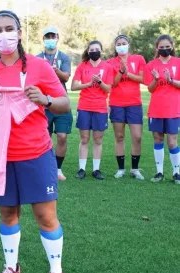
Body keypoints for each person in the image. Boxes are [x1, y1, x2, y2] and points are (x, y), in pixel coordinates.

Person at [0, 10, 70, 273]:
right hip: (2, 157)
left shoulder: (39, 66)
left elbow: (64, 104)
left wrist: (46, 100)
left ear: (20, 33)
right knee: (8, 214)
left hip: (36, 153)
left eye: (9, 28)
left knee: (45, 216)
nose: (3, 35)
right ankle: (11, 267)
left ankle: (56, 270)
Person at [71, 40, 113, 180]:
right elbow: (73, 86)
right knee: (84, 139)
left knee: (98, 139)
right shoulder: (82, 66)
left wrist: (99, 82)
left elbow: (108, 89)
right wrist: (89, 83)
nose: (94, 51)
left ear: (101, 51)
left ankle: (96, 169)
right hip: (84, 107)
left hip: (100, 108)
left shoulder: (107, 67)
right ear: (88, 51)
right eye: (91, 49)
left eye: (97, 49)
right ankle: (81, 169)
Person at [107, 34, 146, 180]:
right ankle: (121, 169)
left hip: (134, 104)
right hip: (117, 104)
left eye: (123, 43)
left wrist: (128, 73)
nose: (121, 45)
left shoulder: (138, 59)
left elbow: (142, 79)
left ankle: (135, 169)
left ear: (129, 45)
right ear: (115, 46)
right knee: (119, 136)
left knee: (137, 137)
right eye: (118, 44)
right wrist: (121, 73)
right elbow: (111, 83)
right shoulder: (110, 62)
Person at [36, 26, 72, 181]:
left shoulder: (64, 57)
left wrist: (55, 71)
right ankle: (46, 167)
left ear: (57, 37)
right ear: (43, 39)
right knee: (44, 137)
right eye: (47, 36)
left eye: (53, 36)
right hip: (43, 103)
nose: (50, 39)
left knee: (62, 137)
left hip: (61, 101)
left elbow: (66, 77)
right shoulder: (37, 58)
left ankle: (58, 169)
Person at [144, 34, 180, 184]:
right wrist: (156, 79)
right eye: (161, 47)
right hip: (156, 109)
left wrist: (170, 80)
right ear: (157, 48)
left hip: (173, 108)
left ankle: (177, 172)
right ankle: (159, 172)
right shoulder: (151, 65)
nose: (164, 49)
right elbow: (150, 89)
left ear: (172, 47)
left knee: (172, 141)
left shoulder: (178, 63)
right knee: (158, 139)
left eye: (167, 47)